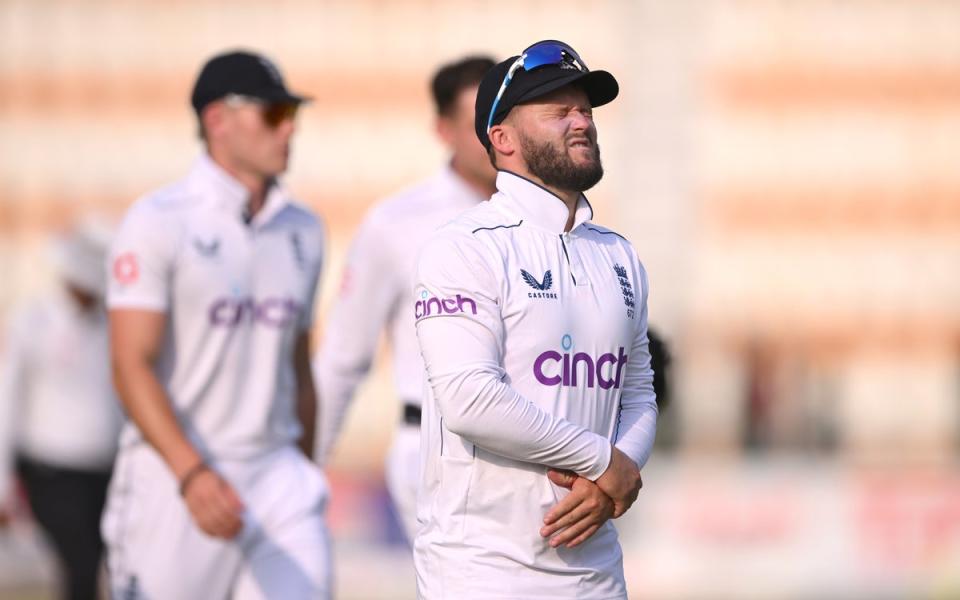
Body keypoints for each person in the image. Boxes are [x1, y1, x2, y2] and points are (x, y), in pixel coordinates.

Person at [413, 40, 658, 599]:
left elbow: (638, 390)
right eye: (557, 111)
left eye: (585, 110)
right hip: (481, 567)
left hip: (594, 567)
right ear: (502, 139)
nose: (581, 123)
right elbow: (471, 400)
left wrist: (614, 475)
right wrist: (604, 463)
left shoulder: (618, 254)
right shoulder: (463, 247)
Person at [101, 50, 330, 599]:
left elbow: (298, 365)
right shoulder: (158, 220)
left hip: (279, 478)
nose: (288, 129)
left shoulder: (305, 230)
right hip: (176, 478)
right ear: (216, 120)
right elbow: (130, 364)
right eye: (273, 114)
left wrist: (304, 471)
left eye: (291, 115)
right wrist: (191, 473)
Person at [312, 55, 497, 541]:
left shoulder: (547, 216)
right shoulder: (397, 221)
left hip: (531, 450)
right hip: (436, 446)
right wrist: (305, 467)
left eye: (502, 114)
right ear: (443, 130)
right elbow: (343, 357)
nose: (494, 133)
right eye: (478, 120)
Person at [0, 218, 122, 600]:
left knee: (99, 564)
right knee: (81, 564)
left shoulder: (114, 326)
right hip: (50, 470)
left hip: (104, 470)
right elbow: (8, 398)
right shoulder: (33, 320)